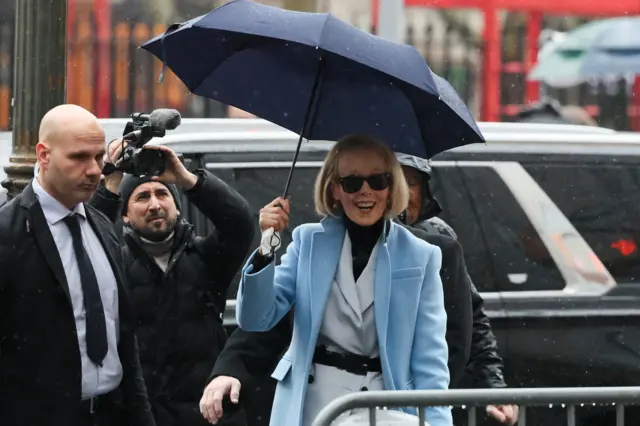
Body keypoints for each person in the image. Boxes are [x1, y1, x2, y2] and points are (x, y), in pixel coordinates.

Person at [231, 134, 452, 426]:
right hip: (311, 405)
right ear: (334, 189)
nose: (365, 192)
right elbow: (256, 318)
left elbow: (430, 362)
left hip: (385, 407)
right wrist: (266, 246)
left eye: (377, 181)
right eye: (352, 183)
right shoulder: (307, 241)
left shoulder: (420, 255)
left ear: (391, 187)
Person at [0, 104, 155, 426]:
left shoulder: (101, 228)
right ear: (43, 155)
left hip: (114, 412)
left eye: (99, 157)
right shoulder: (8, 232)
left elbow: (123, 339)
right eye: (79, 157)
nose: (95, 170)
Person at [88, 139, 255, 426]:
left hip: (207, 413)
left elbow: (240, 224)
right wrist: (109, 186)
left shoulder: (206, 257)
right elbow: (86, 244)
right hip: (141, 414)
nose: (154, 204)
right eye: (141, 197)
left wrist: (188, 180)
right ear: (125, 216)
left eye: (162, 194)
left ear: (178, 208)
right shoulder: (113, 263)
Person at [396, 153, 518, 425]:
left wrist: (492, 385)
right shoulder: (345, 241)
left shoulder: (438, 239)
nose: (403, 193)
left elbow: (470, 318)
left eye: (411, 181)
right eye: (392, 181)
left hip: (431, 394)